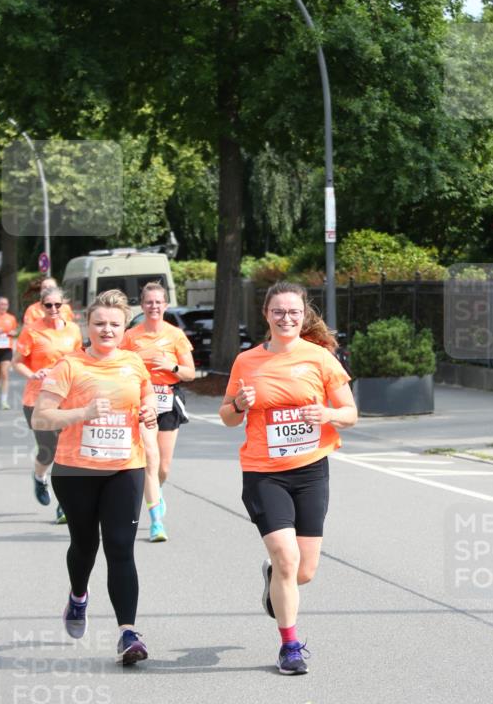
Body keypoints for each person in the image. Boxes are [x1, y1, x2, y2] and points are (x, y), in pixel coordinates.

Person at [220, 281, 357, 676]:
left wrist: (328, 415)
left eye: (294, 312)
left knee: (303, 572)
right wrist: (239, 406)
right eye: (278, 311)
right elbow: (228, 416)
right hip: (264, 473)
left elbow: (350, 412)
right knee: (286, 557)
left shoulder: (320, 358)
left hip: (311, 470)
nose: (286, 318)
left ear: (303, 316)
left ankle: (274, 579)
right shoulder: (247, 362)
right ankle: (290, 646)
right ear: (266, 315)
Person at [33, 289, 157, 666]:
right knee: (85, 546)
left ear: (124, 328)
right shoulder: (69, 366)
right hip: (75, 472)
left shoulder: (134, 363)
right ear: (87, 325)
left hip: (124, 468)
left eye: (114, 325)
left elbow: (147, 394)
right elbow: (41, 418)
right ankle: (78, 596)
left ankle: (128, 633)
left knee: (120, 546)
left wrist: (149, 410)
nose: (107, 330)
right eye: (99, 324)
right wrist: (83, 412)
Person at [121, 282, 195, 542]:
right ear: (142, 306)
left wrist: (171, 365)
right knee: (150, 459)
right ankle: (156, 522)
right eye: (149, 302)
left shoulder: (175, 335)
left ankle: (157, 490)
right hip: (142, 401)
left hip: (169, 399)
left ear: (165, 305)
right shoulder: (131, 336)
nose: (153, 306)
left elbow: (191, 373)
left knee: (163, 466)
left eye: (158, 302)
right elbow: (118, 365)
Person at [13, 286, 82, 522]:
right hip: (37, 399)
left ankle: (64, 503)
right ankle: (40, 477)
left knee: (66, 450)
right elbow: (17, 362)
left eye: (57, 305)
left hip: (67, 397)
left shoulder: (73, 330)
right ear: (41, 306)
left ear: (65, 305)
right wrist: (33, 374)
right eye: (48, 305)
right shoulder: (31, 331)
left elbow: (79, 360)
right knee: (49, 450)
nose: (53, 309)